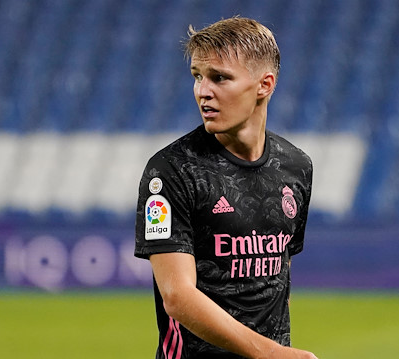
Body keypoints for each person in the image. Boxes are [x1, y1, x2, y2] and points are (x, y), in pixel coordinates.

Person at [134, 16, 316, 359]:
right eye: (197, 77)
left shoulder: (296, 167)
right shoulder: (172, 170)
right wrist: (270, 353)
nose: (203, 91)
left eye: (220, 78)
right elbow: (177, 296)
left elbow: (278, 279)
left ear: (264, 85)